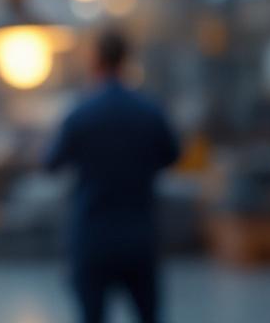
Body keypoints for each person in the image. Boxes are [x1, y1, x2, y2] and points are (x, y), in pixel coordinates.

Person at [44, 31, 180, 323]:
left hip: (93, 235)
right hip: (139, 234)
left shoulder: (81, 114)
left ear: (96, 61)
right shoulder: (149, 111)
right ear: (125, 60)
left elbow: (51, 163)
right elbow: (172, 155)